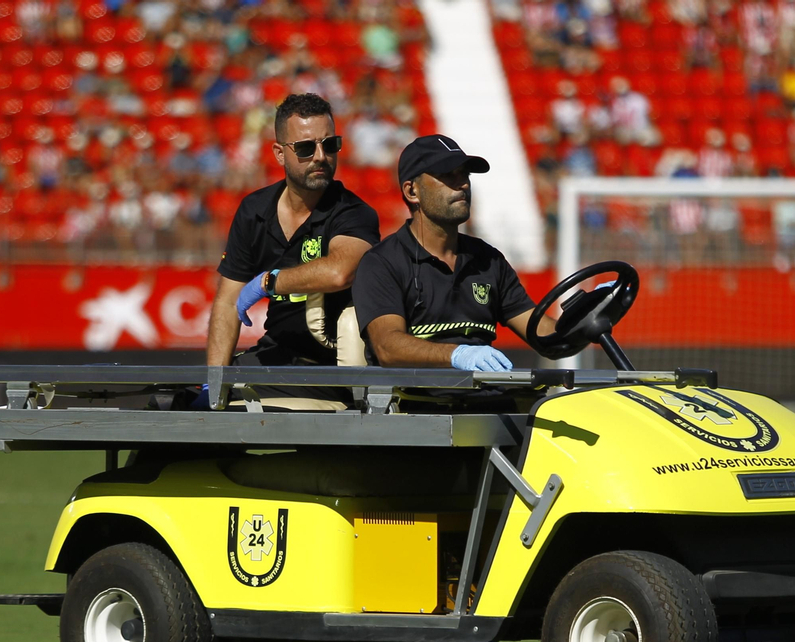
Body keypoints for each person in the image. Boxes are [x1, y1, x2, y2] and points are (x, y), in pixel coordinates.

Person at [205, 93, 380, 410]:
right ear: (279, 154)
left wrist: (268, 282)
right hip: (275, 356)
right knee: (177, 406)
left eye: (330, 145)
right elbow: (227, 303)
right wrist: (216, 385)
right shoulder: (254, 210)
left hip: (331, 371)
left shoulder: (354, 213)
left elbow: (340, 272)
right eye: (305, 148)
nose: (320, 157)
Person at [350, 135, 543, 374]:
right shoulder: (382, 262)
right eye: (448, 175)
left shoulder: (489, 259)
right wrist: (456, 354)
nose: (463, 184)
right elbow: (388, 347)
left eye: (464, 175)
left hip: (489, 395)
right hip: (417, 398)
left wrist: (583, 321)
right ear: (412, 191)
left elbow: (546, 336)